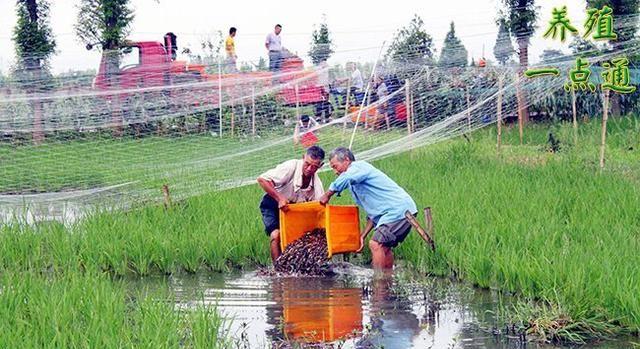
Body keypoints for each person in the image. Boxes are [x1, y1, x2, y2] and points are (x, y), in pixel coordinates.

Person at [319, 147, 417, 270]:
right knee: (384, 248)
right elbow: (373, 215)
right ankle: (387, 280)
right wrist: (362, 236)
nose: (335, 172)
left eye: (335, 166)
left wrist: (328, 194)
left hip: (399, 210)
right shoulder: (356, 183)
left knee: (376, 244)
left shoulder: (359, 167)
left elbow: (346, 178)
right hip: (396, 212)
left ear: (347, 160)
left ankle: (378, 280)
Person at [257, 146, 326, 263]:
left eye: (314, 167)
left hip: (294, 210)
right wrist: (279, 198)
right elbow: (262, 179)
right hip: (273, 204)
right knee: (276, 235)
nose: (309, 169)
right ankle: (278, 269)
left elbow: (319, 209)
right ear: (303, 158)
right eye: (307, 164)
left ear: (320, 166)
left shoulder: (317, 185)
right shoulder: (291, 167)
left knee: (298, 238)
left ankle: (297, 265)